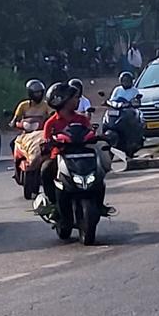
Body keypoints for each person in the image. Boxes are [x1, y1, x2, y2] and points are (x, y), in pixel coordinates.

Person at [39, 82, 114, 218]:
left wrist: (100, 137)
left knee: (100, 175)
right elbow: (46, 140)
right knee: (45, 170)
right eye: (74, 98)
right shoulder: (51, 123)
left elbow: (90, 133)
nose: (78, 100)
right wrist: (48, 144)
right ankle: (53, 204)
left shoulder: (82, 119)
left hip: (84, 155)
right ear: (64, 101)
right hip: (60, 156)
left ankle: (99, 205)